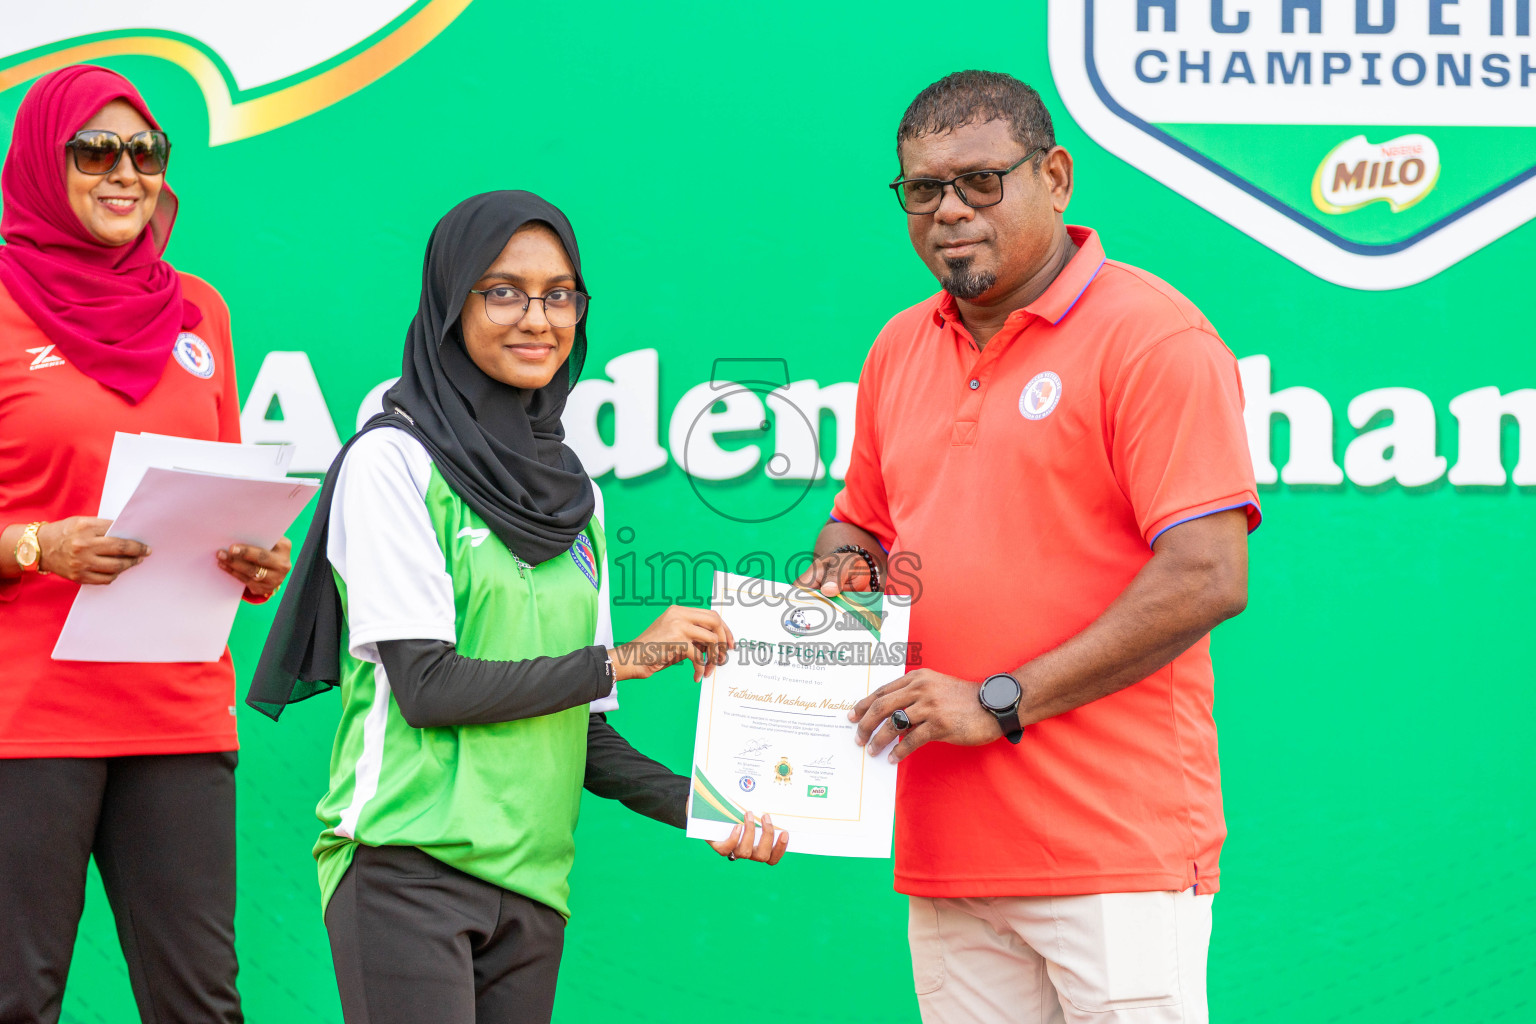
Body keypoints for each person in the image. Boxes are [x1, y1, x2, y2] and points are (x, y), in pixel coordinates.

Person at [249, 191, 787, 1024]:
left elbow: (585, 732)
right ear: (448, 303)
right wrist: (627, 659)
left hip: (534, 888)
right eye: (502, 291)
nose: (538, 318)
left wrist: (702, 806)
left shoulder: (577, 498)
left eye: (560, 294)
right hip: (404, 867)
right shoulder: (391, 463)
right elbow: (428, 688)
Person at [797, 71, 1260, 1024]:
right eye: (922, 189)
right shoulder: (898, 348)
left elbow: (1210, 575)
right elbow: (865, 523)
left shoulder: (1151, 337)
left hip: (1113, 852)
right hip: (949, 852)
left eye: (979, 181)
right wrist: (836, 579)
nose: (948, 211)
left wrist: (999, 701)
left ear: (1055, 177)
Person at [0, 65, 292, 1024]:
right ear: (47, 163)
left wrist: (250, 559)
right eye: (95, 150)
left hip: (176, 708)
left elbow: (210, 491)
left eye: (146, 151)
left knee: (201, 1004)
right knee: (16, 997)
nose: (124, 172)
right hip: (27, 719)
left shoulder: (198, 310)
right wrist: (39, 546)